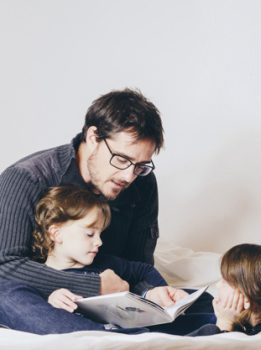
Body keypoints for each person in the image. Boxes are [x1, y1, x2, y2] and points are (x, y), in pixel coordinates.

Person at [0, 88, 213, 331]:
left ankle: (236, 322)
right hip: (47, 296)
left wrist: (151, 293)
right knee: (6, 296)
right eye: (121, 160)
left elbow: (136, 265)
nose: (128, 176)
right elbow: (6, 266)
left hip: (115, 298)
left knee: (199, 301)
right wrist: (93, 286)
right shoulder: (27, 178)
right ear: (93, 137)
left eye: (140, 165)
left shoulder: (142, 182)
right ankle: (113, 341)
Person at [0, 185, 214, 334]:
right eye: (90, 234)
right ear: (56, 233)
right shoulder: (40, 277)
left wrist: (154, 292)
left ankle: (229, 319)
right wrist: (52, 299)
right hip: (98, 329)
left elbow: (143, 271)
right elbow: (33, 312)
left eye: (100, 233)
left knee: (203, 298)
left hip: (135, 320)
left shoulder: (105, 264)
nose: (99, 242)